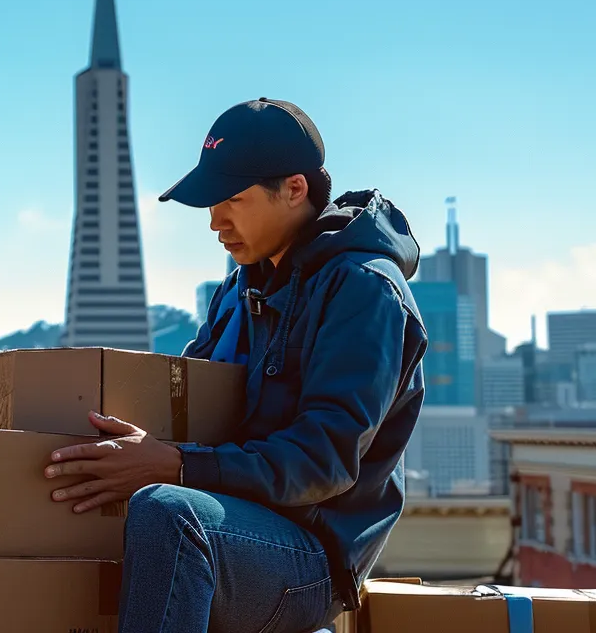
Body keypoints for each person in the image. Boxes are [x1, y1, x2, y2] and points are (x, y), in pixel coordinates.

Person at [44, 98, 428, 633]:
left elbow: (323, 463)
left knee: (169, 514)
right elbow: (186, 406)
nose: (214, 221)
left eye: (232, 200)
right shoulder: (239, 290)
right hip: (226, 520)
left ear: (294, 189)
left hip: (311, 560)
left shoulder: (364, 290)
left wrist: (174, 466)